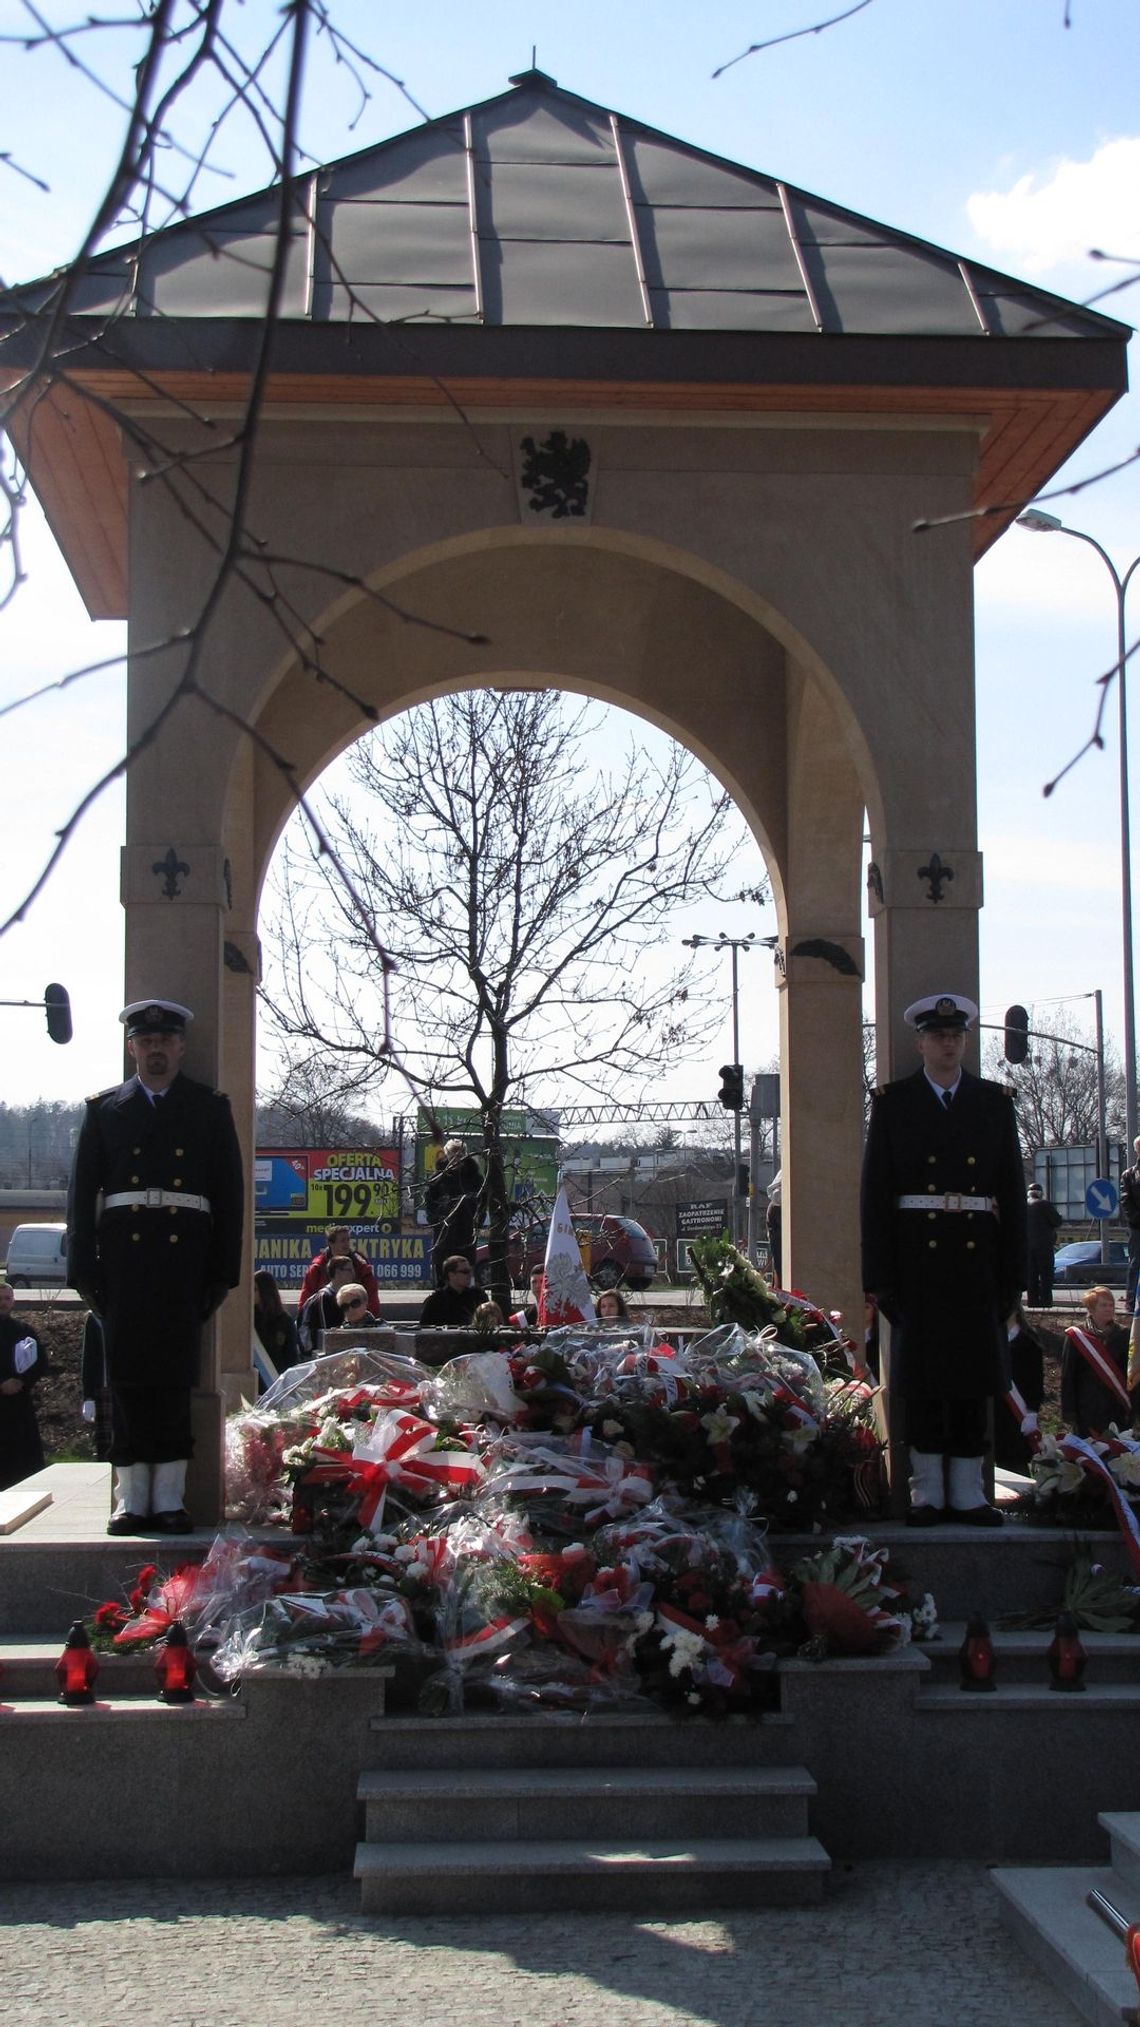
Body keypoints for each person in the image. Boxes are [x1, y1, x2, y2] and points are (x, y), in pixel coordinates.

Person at [67, 999, 244, 1536]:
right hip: (123, 1263)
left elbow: (230, 1196)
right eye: (146, 1042)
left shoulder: (208, 1108)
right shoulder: (105, 1111)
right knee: (124, 1380)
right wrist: (83, 1269)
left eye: (165, 1041)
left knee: (172, 1380)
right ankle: (130, 1498)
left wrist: (222, 1273)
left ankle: (169, 1497)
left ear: (182, 1047)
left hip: (181, 1262)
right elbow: (81, 1197)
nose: (156, 1050)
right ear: (132, 1048)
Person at [860, 991, 1027, 1528]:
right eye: (938, 1036)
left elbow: (1013, 1198)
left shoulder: (995, 1103)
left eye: (956, 1037)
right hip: (918, 1262)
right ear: (920, 1042)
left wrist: (1014, 1279)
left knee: (974, 1379)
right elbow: (875, 1197)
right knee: (926, 1380)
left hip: (977, 1260)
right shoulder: (894, 1103)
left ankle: (968, 1492)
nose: (948, 1044)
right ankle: (927, 1490)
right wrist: (880, 1279)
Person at [1062, 1284, 1132, 1437]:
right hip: (1086, 1408)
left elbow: (1131, 1373)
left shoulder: (1124, 1335)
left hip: (1116, 1407)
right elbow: (1068, 1375)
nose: (1108, 1309)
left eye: (1111, 1305)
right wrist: (1069, 1412)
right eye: (1103, 1305)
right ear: (1091, 1309)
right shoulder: (1077, 1336)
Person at [0, 1282, 45, 1492]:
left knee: (22, 1466)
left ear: (13, 1301)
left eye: (7, 1298)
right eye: (0, 1298)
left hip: (19, 1407)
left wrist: (21, 1381)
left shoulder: (24, 1331)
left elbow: (40, 1363)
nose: (3, 1303)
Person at [994, 1304, 1046, 1473]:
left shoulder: (1028, 1341)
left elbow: (1035, 1381)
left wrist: (1032, 1411)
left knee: (1014, 1465)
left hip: (1017, 1414)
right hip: (994, 1412)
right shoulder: (991, 1341)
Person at [425, 1138, 484, 1284]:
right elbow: (430, 1205)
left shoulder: (475, 1178)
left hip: (466, 1236)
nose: (456, 1158)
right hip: (444, 1237)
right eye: (453, 1154)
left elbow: (482, 1203)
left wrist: (476, 1223)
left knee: (465, 1280)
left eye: (460, 1154)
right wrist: (437, 1222)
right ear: (447, 1154)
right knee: (442, 1282)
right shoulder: (438, 1178)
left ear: (465, 1154)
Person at [297, 1226, 380, 1315]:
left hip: (355, 1319)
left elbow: (372, 1297)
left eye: (348, 1240)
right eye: (342, 1241)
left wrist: (365, 1319)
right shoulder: (317, 1268)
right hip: (325, 1317)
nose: (347, 1244)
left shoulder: (360, 1265)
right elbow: (305, 1301)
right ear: (330, 1243)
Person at [298, 1254, 357, 1352]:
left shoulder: (345, 1296)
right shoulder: (325, 1297)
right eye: (349, 1270)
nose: (353, 1273)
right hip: (315, 1352)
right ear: (338, 1272)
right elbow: (326, 1333)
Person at [253, 1270, 300, 1377]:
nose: (250, 1293)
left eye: (255, 1289)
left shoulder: (284, 1320)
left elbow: (291, 1358)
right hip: (255, 1379)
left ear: (265, 1291)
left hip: (276, 1379)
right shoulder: (249, 1318)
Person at [418, 1255, 484, 1327]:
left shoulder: (478, 1296)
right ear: (451, 1275)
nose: (469, 1275)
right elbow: (424, 1328)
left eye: (470, 1271)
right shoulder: (435, 1300)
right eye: (465, 1272)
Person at [1025, 1183, 1062, 1308]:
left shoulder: (1022, 1206)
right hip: (1044, 1246)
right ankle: (1046, 1302)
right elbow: (1057, 1221)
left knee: (1031, 1276)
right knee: (1046, 1276)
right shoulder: (1044, 1204)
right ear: (1040, 1193)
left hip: (1027, 1247)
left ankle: (1032, 1301)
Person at [1121, 1137, 1140, 1310]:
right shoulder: (1129, 1175)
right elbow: (1126, 1201)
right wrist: (1136, 1219)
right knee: (1135, 1263)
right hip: (1137, 1227)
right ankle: (1132, 1300)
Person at [766, 1170, 783, 1284]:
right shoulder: (776, 1206)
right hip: (779, 1244)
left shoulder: (775, 1205)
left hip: (779, 1244)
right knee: (779, 1273)